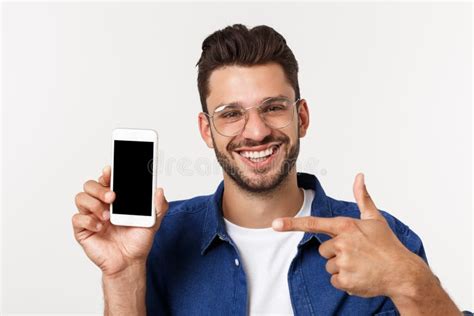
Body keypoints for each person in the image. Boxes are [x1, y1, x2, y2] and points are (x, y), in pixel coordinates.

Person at [73, 24, 467, 315]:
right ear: (206, 131)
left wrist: (408, 278)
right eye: (231, 114)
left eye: (273, 107)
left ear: (303, 117)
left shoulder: (382, 241)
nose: (257, 131)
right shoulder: (159, 239)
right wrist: (123, 273)